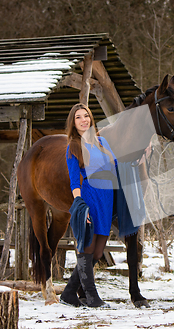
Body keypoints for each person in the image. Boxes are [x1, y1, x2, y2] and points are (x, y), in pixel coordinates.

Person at [60, 103, 117, 308]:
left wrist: (141, 155)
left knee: (98, 252)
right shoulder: (73, 147)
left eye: (86, 116)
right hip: (90, 199)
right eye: (78, 117)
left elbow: (117, 166)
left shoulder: (102, 142)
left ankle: (68, 293)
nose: (84, 120)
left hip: (107, 200)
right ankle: (92, 297)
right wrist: (79, 203)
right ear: (73, 123)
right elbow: (74, 181)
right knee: (88, 247)